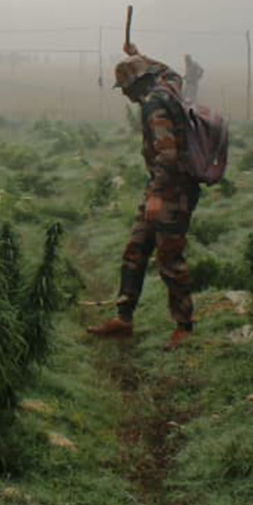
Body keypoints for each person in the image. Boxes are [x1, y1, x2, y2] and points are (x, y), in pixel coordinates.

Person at [88, 42, 198, 349]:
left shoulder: (154, 103)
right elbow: (171, 71)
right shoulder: (168, 85)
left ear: (137, 83)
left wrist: (157, 197)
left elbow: (168, 155)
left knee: (169, 258)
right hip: (162, 188)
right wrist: (139, 54)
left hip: (172, 192)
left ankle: (184, 327)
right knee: (135, 249)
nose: (124, 94)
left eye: (125, 87)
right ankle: (124, 319)